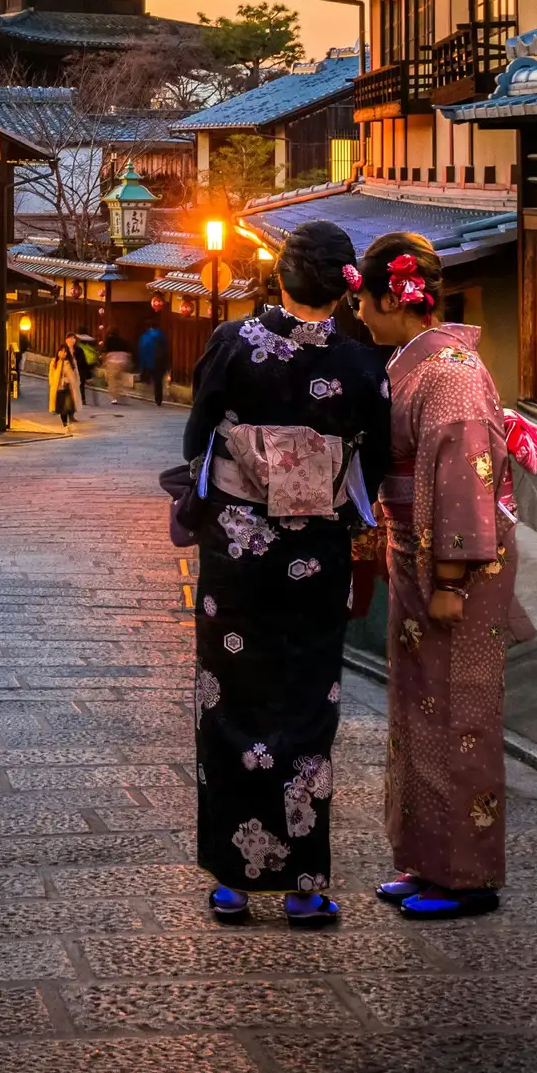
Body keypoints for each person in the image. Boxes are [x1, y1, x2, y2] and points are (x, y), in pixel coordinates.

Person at [177, 220, 390, 928]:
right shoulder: (363, 365)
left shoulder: (233, 343)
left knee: (229, 698)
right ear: (343, 285)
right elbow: (374, 461)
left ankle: (233, 883)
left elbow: (198, 435)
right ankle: (304, 885)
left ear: (280, 276)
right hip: (314, 557)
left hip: (238, 553)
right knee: (305, 704)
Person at [355, 232, 516, 920]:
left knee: (460, 713)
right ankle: (425, 859)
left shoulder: (447, 374)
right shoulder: (417, 364)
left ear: (396, 295)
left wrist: (451, 580)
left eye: (364, 300)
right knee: (419, 710)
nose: (358, 314)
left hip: (456, 571)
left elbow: (463, 480)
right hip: (417, 556)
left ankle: (467, 875)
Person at [136, 315, 172, 407]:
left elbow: (142, 350)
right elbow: (167, 349)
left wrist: (142, 364)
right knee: (158, 381)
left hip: (149, 362)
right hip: (161, 362)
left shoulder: (145, 337)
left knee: (149, 378)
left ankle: (146, 392)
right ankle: (158, 399)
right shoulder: (162, 335)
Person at [48, 337, 82, 429]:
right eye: (61, 351)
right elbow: (51, 374)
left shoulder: (70, 362)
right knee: (61, 407)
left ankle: (68, 421)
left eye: (65, 351)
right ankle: (64, 423)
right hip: (58, 387)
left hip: (68, 388)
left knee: (67, 406)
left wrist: (72, 381)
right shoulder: (54, 362)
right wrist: (52, 383)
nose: (63, 353)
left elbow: (75, 375)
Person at [103, 329, 134, 405]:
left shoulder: (109, 340)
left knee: (112, 380)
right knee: (121, 377)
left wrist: (104, 361)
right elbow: (129, 351)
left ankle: (114, 398)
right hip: (123, 361)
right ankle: (123, 392)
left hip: (112, 361)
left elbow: (105, 350)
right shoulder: (122, 340)